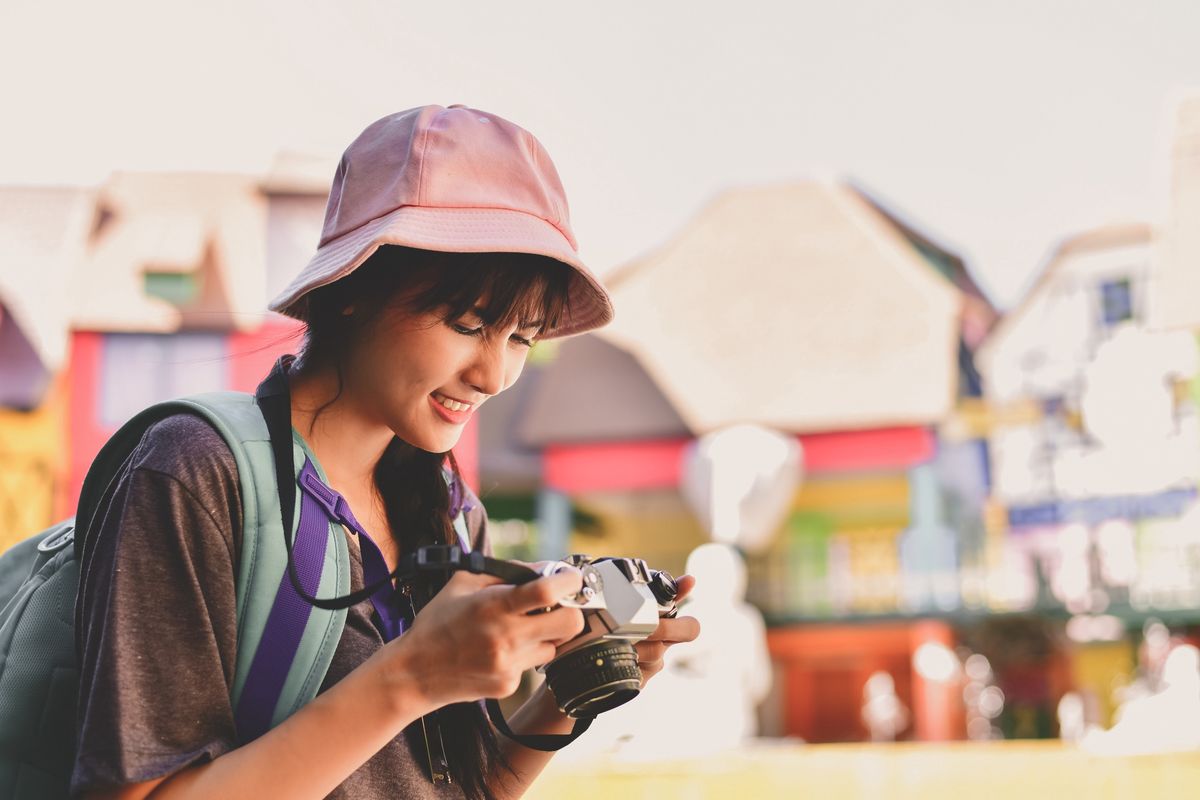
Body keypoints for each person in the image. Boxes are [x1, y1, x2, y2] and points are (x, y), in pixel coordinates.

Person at [73, 105, 700, 800]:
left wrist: (569, 691)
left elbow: (455, 787)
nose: (493, 376)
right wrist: (412, 676)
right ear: (353, 293)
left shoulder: (454, 516)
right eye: (468, 324)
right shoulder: (196, 473)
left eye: (522, 337)